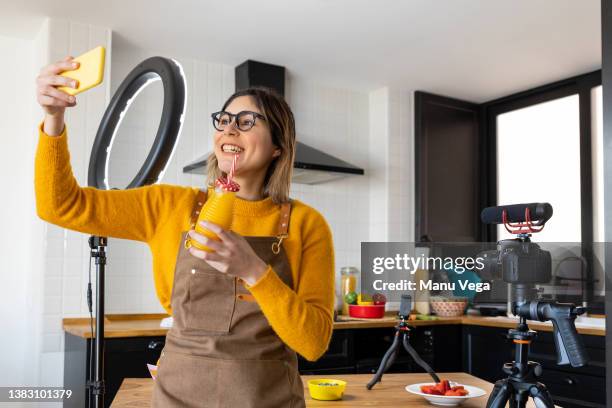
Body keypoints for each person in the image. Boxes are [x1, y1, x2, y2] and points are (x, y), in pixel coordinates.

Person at [35, 56, 335, 407]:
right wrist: (54, 118)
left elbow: (313, 343)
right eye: (223, 121)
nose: (228, 129)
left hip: (268, 399)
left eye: (246, 121)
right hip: (180, 397)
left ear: (278, 146)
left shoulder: (305, 224)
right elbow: (59, 205)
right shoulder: (168, 206)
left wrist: (254, 271)